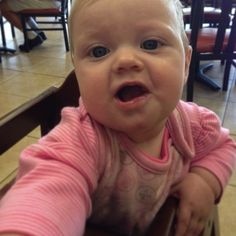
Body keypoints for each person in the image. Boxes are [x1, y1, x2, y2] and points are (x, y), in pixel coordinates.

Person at [0, 0, 235, 235]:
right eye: (99, 51)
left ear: (184, 64)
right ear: (77, 70)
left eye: (150, 44)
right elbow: (46, 194)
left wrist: (205, 180)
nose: (125, 61)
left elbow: (223, 146)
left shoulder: (193, 124)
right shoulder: (81, 140)